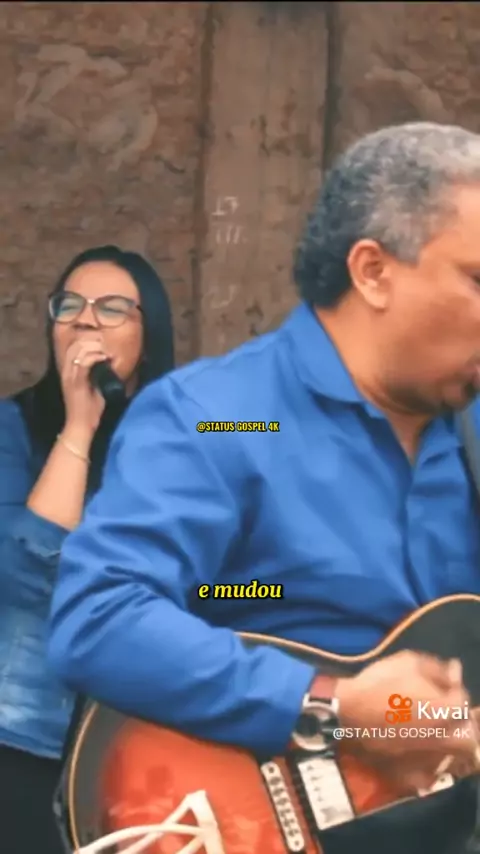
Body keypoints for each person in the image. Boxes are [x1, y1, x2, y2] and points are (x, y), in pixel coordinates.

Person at [48, 123, 480, 854]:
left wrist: (428, 722)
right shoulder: (222, 416)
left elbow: (434, 714)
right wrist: (328, 708)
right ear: (373, 272)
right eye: (478, 280)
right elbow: (99, 616)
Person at [0, 244, 174, 854]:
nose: (85, 320)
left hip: (141, 752)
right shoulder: (11, 429)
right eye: (69, 305)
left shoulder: (187, 436)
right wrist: (79, 426)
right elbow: (28, 576)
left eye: (112, 307)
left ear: (147, 339)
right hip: (23, 740)